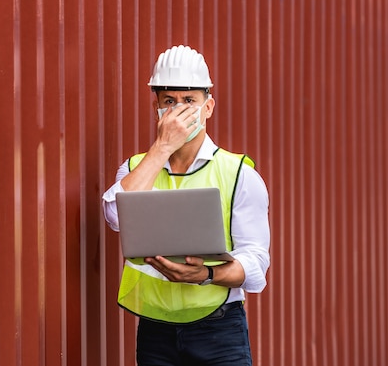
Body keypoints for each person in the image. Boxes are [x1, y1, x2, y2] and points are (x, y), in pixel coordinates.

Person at [102, 45, 271, 366]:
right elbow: (114, 217)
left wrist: (206, 274)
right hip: (156, 329)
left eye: (189, 101)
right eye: (169, 102)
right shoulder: (137, 168)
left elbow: (256, 265)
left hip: (219, 330)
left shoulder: (239, 174)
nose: (178, 111)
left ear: (208, 107)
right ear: (157, 108)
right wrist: (163, 147)